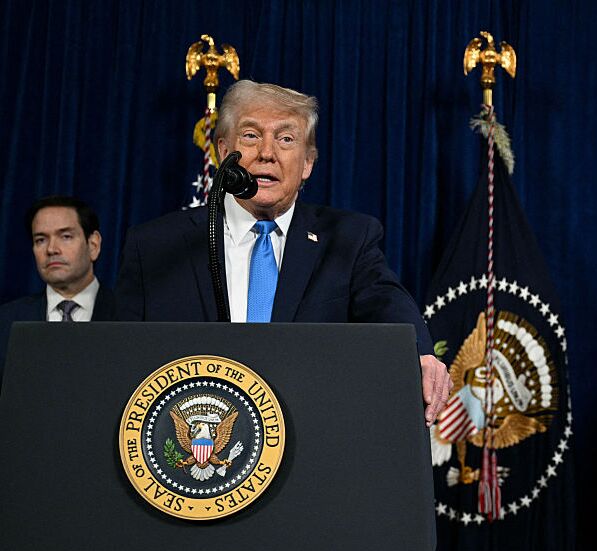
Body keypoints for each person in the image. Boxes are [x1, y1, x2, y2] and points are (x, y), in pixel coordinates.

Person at [115, 80, 450, 424]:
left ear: (307, 163)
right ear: (220, 150)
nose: (267, 153)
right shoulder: (156, 246)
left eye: (286, 139)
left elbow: (387, 303)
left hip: (308, 439)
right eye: (250, 136)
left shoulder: (347, 240)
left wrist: (419, 354)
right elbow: (117, 358)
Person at [0, 195, 115, 372]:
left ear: (93, 245)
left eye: (66, 236)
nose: (52, 249)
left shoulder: (130, 314)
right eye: (40, 240)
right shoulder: (6, 320)